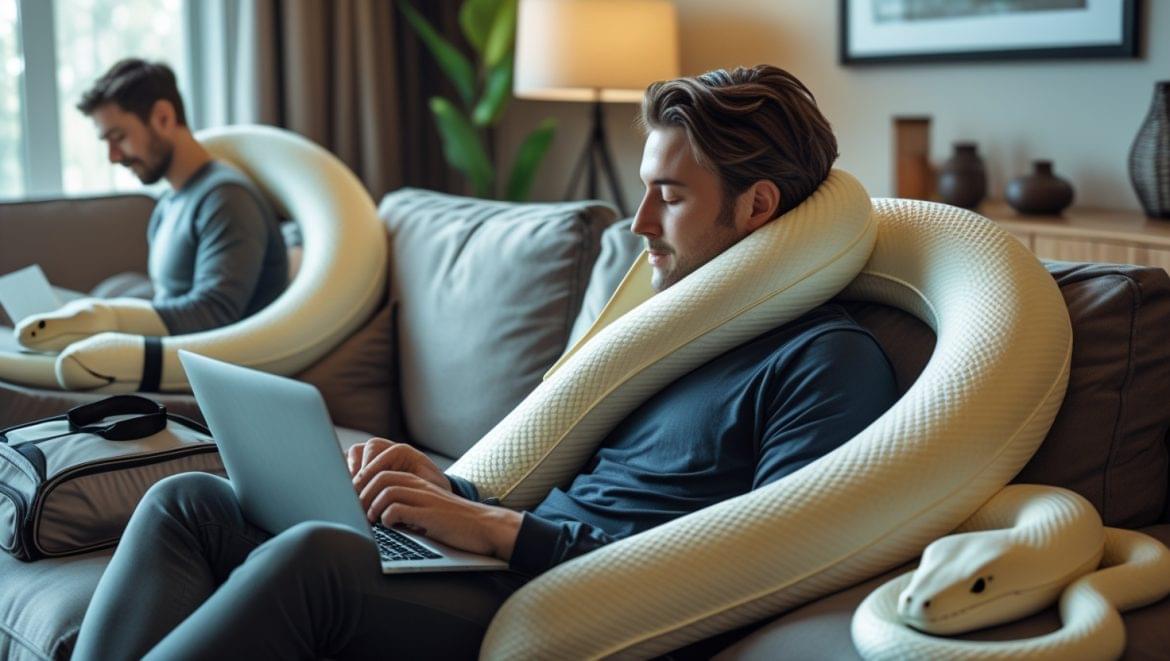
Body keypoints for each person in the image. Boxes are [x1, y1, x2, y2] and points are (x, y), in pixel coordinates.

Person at [73, 65, 898, 660]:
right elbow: (568, 471)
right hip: (510, 555)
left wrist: (501, 532)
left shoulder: (824, 361)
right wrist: (448, 493)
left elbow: (755, 566)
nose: (641, 220)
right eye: (646, 188)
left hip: (569, 602)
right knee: (190, 502)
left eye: (671, 196)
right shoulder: (674, 327)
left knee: (317, 559)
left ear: (758, 206)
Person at [15, 59, 287, 351]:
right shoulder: (169, 203)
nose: (113, 156)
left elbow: (214, 314)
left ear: (163, 118)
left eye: (119, 137)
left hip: (204, 368)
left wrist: (112, 322)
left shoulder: (226, 198)